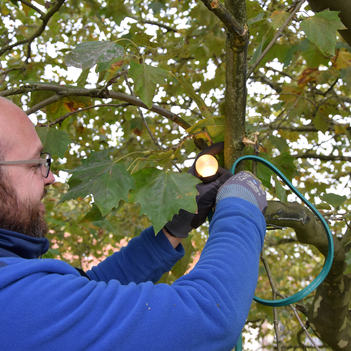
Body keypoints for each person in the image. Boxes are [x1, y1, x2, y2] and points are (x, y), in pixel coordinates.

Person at [0, 96, 267, 351]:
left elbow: (88, 296)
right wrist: (240, 207)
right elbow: (207, 318)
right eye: (36, 164)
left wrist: (171, 230)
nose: (51, 178)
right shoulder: (13, 300)